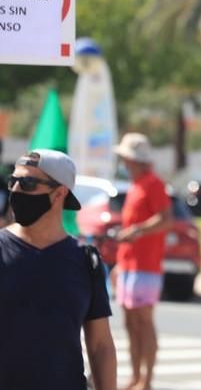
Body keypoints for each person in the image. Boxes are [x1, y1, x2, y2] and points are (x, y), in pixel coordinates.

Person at [0, 149, 116, 389]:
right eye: (13, 181)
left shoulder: (86, 260)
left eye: (28, 183)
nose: (16, 190)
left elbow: (100, 345)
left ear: (59, 193)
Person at [114, 133, 173, 390]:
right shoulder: (136, 185)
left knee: (144, 322)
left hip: (146, 265)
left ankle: (146, 380)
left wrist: (137, 231)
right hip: (128, 264)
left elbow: (166, 219)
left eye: (126, 158)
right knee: (129, 322)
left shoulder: (153, 184)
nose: (123, 163)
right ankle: (136, 376)